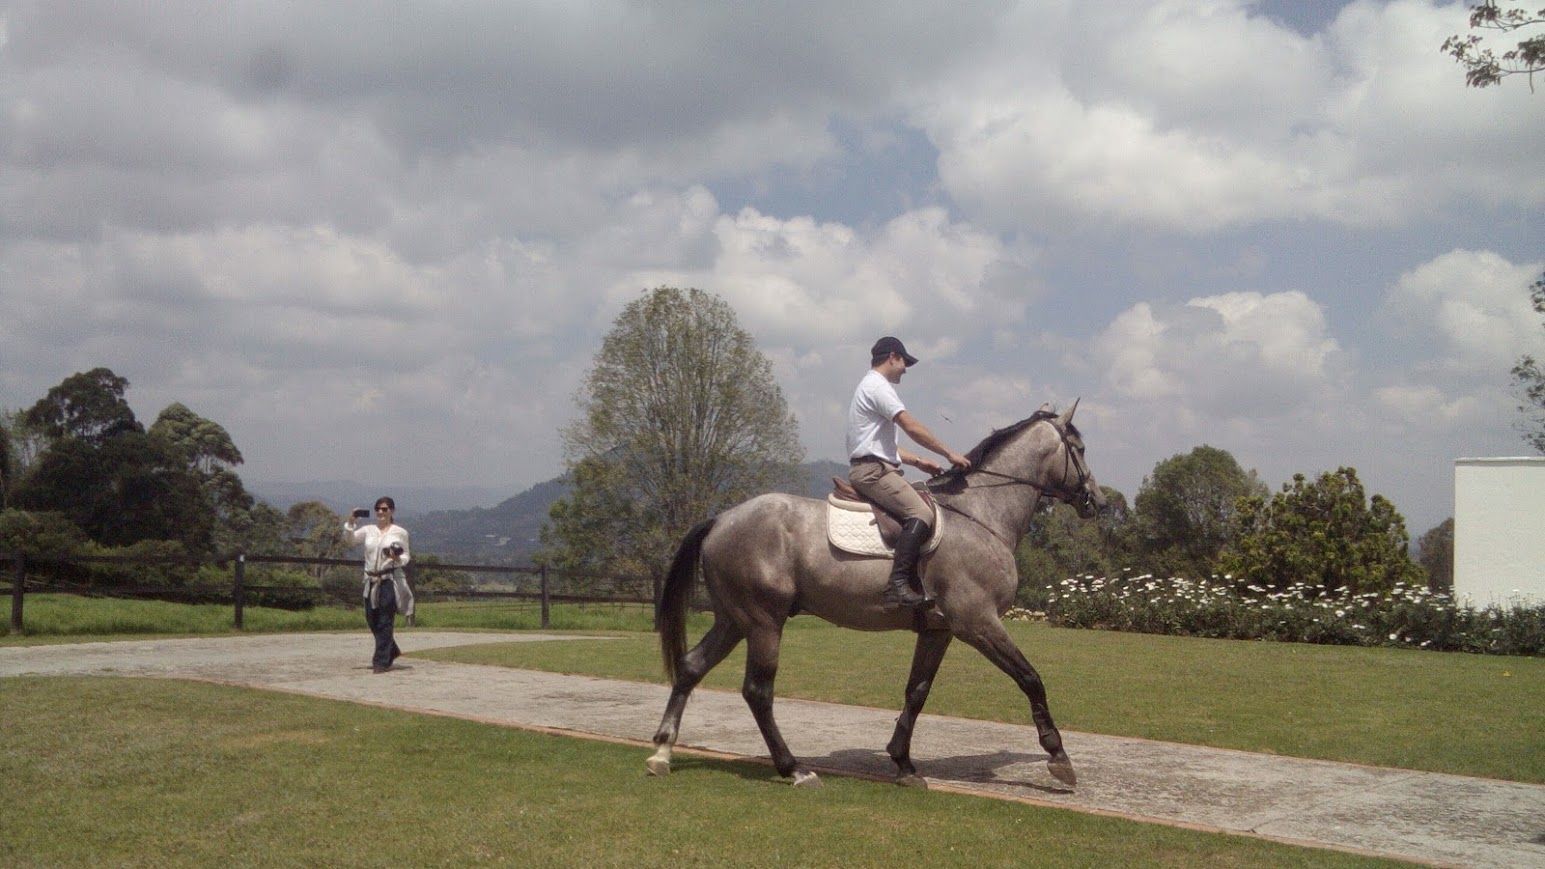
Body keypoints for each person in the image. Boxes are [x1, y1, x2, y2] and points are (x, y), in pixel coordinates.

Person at [846, 336, 971, 609]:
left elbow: (880, 446)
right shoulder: (878, 387)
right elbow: (911, 427)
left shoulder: (869, 386)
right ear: (893, 357)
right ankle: (898, 585)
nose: (905, 370)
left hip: (873, 465)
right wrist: (948, 453)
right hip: (873, 472)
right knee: (922, 513)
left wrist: (919, 461)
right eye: (904, 363)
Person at [344, 496, 414, 673]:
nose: (381, 512)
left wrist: (396, 558)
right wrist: (351, 522)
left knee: (385, 619)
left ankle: (381, 661)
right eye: (378, 509)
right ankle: (391, 649)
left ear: (392, 511)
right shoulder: (368, 530)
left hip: (388, 578)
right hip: (371, 579)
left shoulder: (400, 532)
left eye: (384, 509)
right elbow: (350, 541)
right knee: (371, 618)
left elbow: (406, 556)